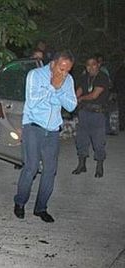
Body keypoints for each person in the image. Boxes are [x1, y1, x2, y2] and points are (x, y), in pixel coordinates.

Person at [14, 50, 77, 223]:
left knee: (50, 170)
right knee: (31, 167)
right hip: (33, 126)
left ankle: (41, 208)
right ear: (53, 63)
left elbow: (71, 105)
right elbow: (33, 101)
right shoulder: (35, 75)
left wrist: (57, 91)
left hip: (53, 129)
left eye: (68, 70)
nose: (64, 73)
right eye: (61, 68)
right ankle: (20, 202)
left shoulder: (68, 80)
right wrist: (52, 87)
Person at [72, 55, 110, 178]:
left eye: (93, 64)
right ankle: (81, 165)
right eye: (88, 65)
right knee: (81, 139)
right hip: (84, 112)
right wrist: (73, 99)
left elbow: (94, 95)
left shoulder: (103, 77)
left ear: (98, 65)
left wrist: (80, 99)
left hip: (97, 114)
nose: (91, 67)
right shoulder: (85, 77)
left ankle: (99, 166)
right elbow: (79, 90)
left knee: (98, 142)